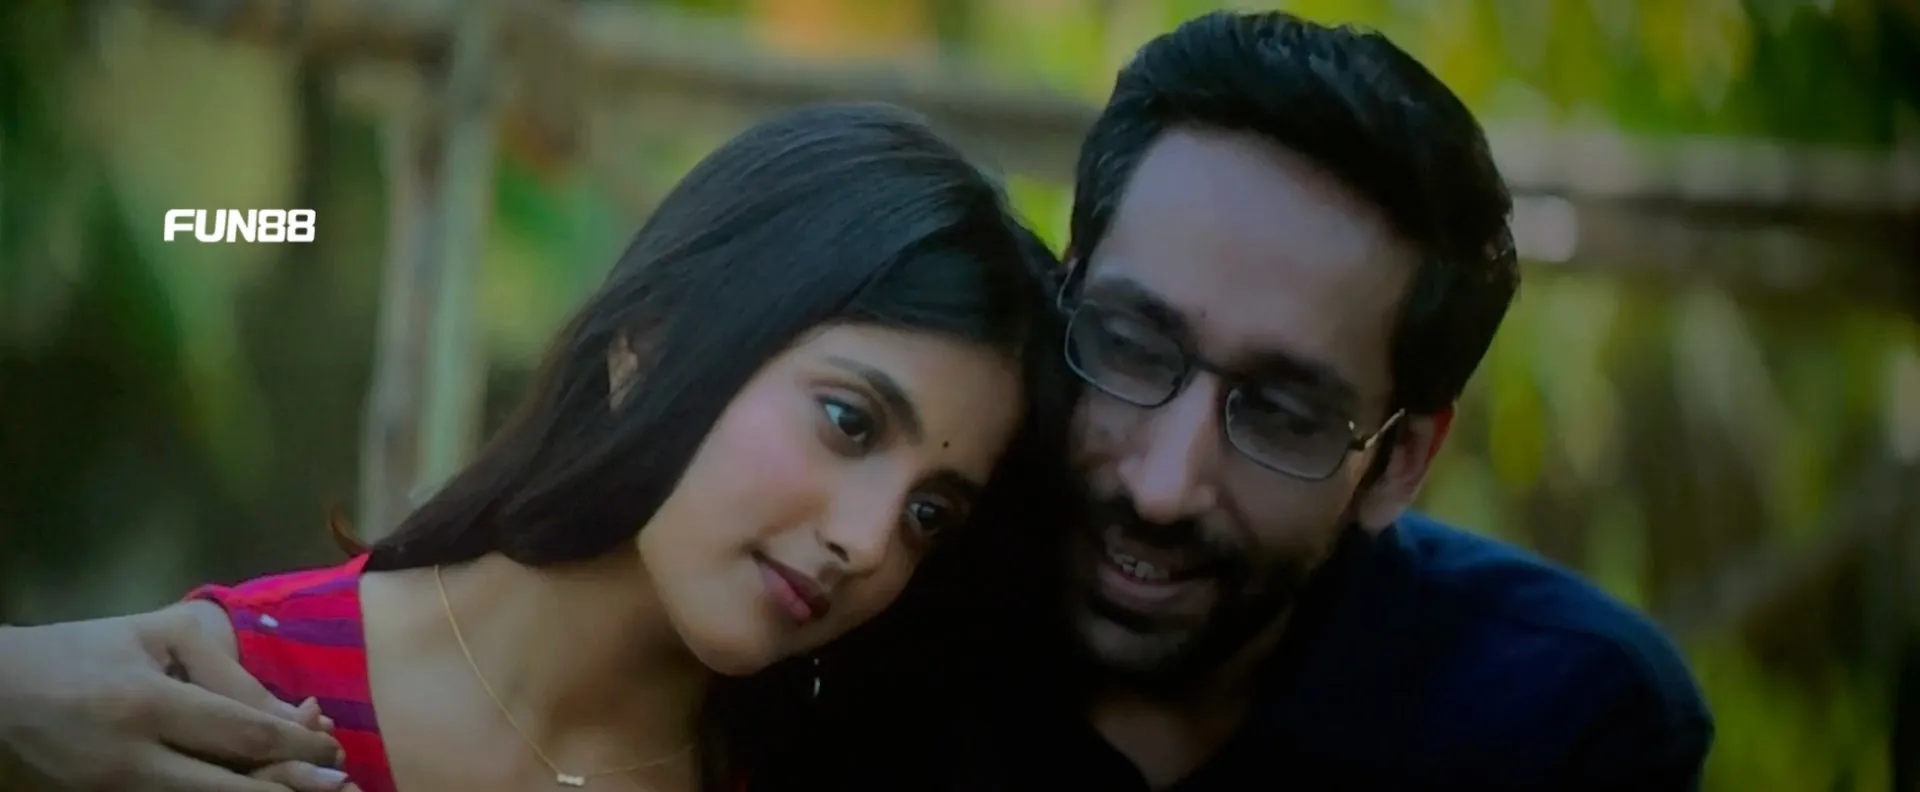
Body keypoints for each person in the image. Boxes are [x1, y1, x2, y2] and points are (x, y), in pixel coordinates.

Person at [0, 10, 1714, 792]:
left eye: (1280, 412)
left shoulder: (1554, 723)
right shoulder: (874, 648)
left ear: (1399, 458)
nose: (1166, 480)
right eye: (1131, 347)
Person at [0, 101, 1076, 792]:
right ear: (650, 344)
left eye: (930, 513)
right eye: (849, 422)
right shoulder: (221, 699)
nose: (869, 542)